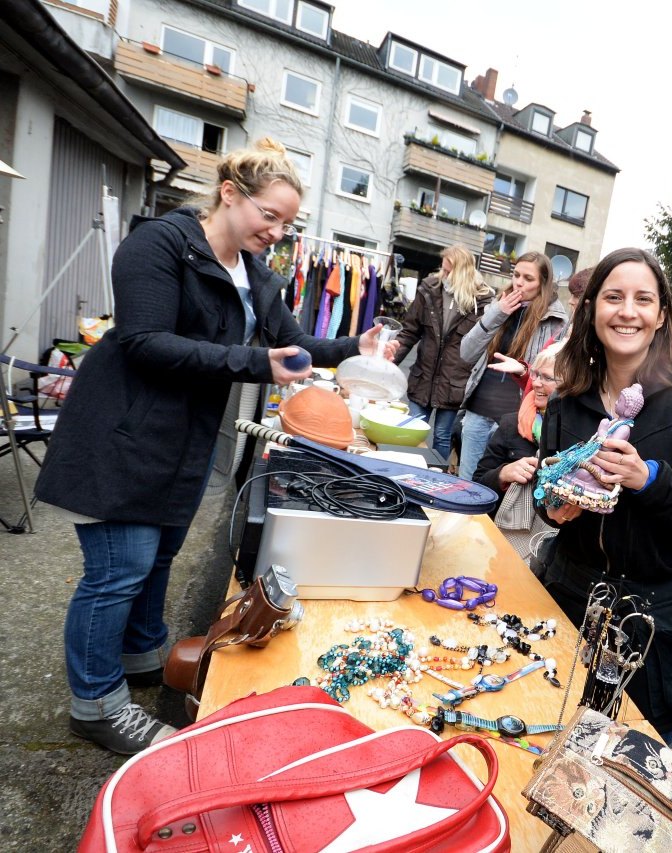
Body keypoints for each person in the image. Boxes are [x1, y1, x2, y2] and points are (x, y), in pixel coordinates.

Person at [35, 138, 399, 755]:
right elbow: (145, 341)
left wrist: (351, 349)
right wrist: (256, 360)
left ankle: (142, 655)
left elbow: (291, 343)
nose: (277, 232)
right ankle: (95, 703)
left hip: (182, 438)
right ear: (230, 194)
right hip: (125, 429)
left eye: (288, 223)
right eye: (269, 216)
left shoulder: (256, 276)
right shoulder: (159, 246)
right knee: (117, 571)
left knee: (157, 558)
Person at [537, 247, 672, 737]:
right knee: (550, 735)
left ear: (660, 316)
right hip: (572, 602)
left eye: (642, 300)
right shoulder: (569, 398)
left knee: (634, 763)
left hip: (657, 626)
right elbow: (547, 490)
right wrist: (556, 507)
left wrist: (649, 479)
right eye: (613, 297)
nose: (627, 311)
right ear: (591, 309)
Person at [457, 251, 567, 480]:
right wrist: (497, 314)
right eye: (516, 274)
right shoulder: (498, 307)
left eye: (528, 278)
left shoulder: (556, 320)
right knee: (467, 482)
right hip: (478, 410)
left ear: (543, 283)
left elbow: (548, 374)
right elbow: (466, 353)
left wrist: (524, 369)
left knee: (500, 487)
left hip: (516, 419)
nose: (519, 282)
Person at [391, 244, 493, 460]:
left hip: (454, 381)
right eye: (443, 269)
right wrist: (389, 362)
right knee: (411, 430)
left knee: (442, 435)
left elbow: (484, 345)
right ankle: (404, 468)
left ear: (462, 272)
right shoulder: (429, 290)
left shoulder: (481, 302)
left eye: (448, 271)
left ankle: (437, 476)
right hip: (423, 378)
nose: (443, 275)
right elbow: (410, 331)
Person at [473, 342, 564, 566]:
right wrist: (503, 474)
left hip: (554, 556)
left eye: (547, 378)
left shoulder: (580, 438)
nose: (536, 383)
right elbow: (476, 487)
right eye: (535, 374)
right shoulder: (511, 423)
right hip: (498, 547)